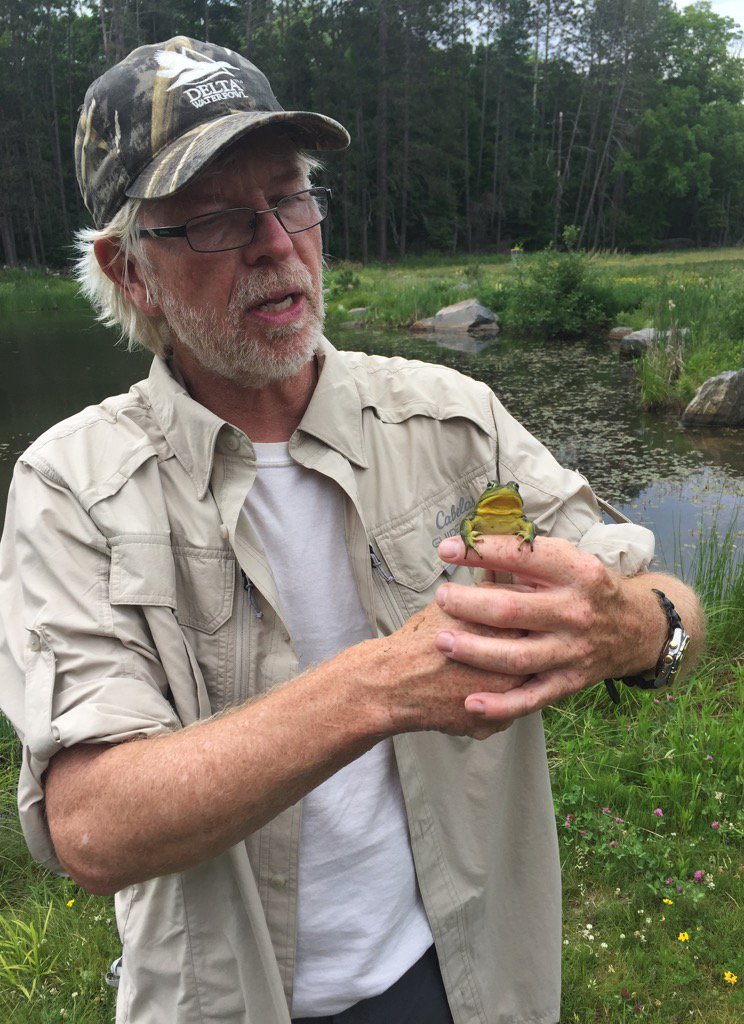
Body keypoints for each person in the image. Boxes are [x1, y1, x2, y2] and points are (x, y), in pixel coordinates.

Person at [0, 36, 703, 1024]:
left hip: (459, 979)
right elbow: (94, 825)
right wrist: (379, 686)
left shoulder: (454, 418)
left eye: (289, 198)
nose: (276, 244)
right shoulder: (70, 486)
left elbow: (670, 598)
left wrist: (635, 631)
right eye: (213, 221)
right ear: (129, 271)